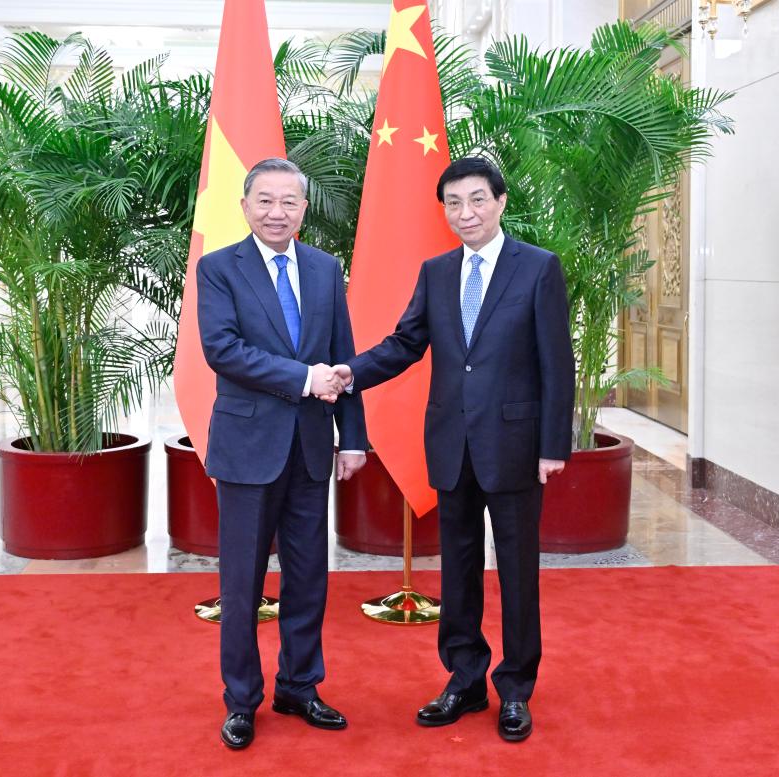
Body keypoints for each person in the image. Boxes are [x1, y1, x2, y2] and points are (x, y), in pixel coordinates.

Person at [328, 157, 574, 743]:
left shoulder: (537, 267)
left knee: (517, 571)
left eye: (477, 200)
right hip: (451, 445)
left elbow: (557, 363)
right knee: (459, 570)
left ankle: (515, 688)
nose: (466, 213)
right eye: (454, 203)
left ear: (501, 202)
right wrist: (351, 373)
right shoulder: (437, 272)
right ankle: (464, 680)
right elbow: (405, 344)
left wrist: (552, 446)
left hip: (515, 446)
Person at [197, 157, 368, 750]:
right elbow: (222, 350)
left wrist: (354, 436)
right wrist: (303, 379)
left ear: (304, 209)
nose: (277, 212)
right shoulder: (219, 268)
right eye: (265, 201)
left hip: (312, 448)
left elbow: (343, 354)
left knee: (308, 576)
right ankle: (241, 700)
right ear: (245, 206)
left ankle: (299, 685)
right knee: (243, 581)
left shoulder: (324, 268)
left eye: (289, 201)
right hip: (248, 449)